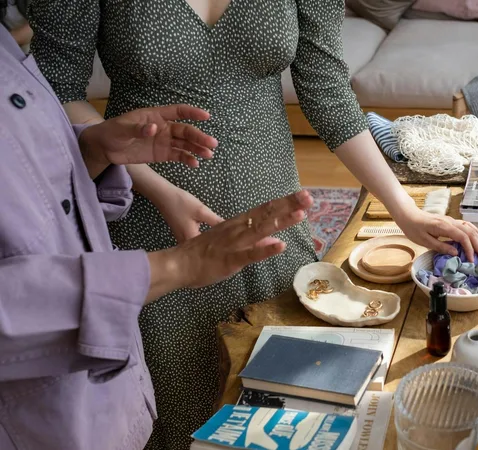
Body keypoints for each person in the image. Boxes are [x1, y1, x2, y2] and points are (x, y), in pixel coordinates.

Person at [26, 1, 478, 448]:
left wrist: (403, 210)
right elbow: (55, 91)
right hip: (151, 226)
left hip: (273, 222)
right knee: (174, 411)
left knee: (290, 407)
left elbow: (326, 87)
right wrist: (160, 190)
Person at [0, 22, 315, 450]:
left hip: (90, 391)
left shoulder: (6, 47)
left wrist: (90, 151)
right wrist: (175, 264)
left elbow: (31, 194)